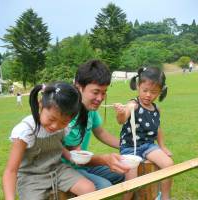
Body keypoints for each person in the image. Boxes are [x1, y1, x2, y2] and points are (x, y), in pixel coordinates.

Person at [2, 82, 95, 200]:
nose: (55, 126)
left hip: (58, 170)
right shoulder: (25, 131)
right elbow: (10, 171)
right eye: (51, 119)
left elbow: (58, 146)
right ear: (40, 105)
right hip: (31, 177)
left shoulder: (63, 127)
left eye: (63, 122)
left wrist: (71, 157)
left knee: (89, 189)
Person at [62, 59, 130, 190]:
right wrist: (105, 160)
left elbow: (101, 133)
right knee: (104, 185)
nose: (100, 98)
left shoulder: (89, 109)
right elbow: (77, 156)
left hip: (83, 165)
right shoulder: (67, 115)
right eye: (95, 92)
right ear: (78, 86)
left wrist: (128, 146)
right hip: (67, 166)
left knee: (122, 171)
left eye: (104, 92)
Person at [114, 67, 174, 200]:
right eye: (145, 90)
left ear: (160, 92)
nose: (148, 95)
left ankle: (165, 197)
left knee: (169, 165)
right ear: (138, 86)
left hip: (148, 146)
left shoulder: (156, 109)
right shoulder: (133, 104)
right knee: (132, 182)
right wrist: (120, 113)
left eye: (153, 92)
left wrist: (162, 147)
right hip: (130, 148)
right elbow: (122, 120)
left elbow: (157, 129)